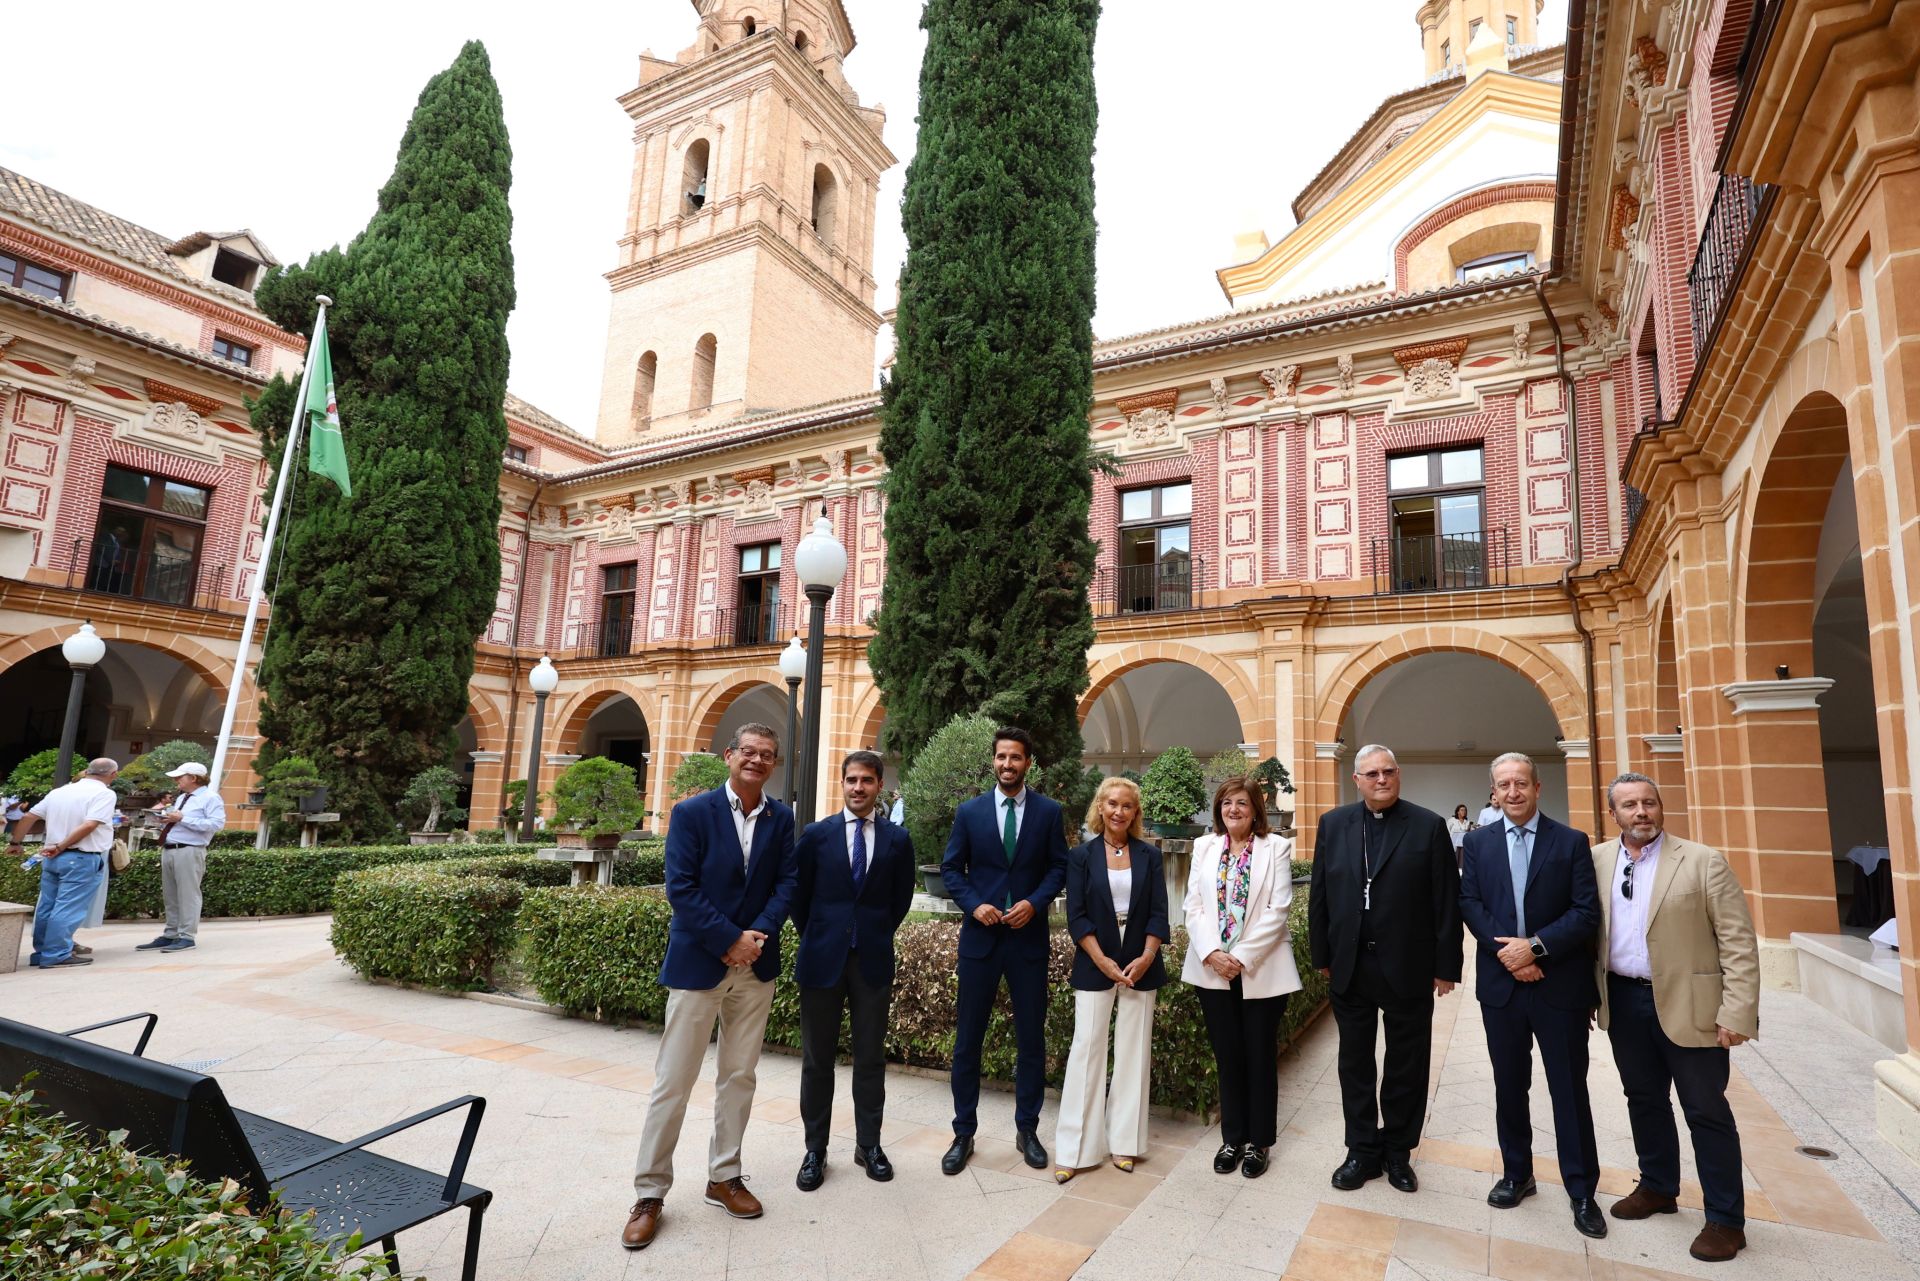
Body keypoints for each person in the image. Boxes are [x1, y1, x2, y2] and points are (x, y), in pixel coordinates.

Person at [622, 723, 797, 1251]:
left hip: (755, 967)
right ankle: (650, 1193)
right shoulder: (693, 813)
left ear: (774, 764)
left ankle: (724, 1176)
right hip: (701, 963)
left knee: (739, 1076)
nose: (758, 761)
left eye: (767, 755)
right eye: (749, 751)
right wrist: (728, 940)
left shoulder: (782, 818)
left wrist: (754, 939)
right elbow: (682, 887)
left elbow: (787, 883)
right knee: (673, 1081)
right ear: (729, 756)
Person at [1593, 773, 1759, 1263]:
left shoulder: (1702, 860)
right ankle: (1658, 1186)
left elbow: (1737, 941)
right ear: (1614, 814)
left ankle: (1726, 1220)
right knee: (1643, 1100)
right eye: (1629, 805)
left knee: (1706, 1111)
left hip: (1693, 1005)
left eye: (1648, 802)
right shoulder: (1598, 860)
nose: (1640, 812)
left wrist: (1737, 1011)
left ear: (1660, 807)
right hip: (1624, 1000)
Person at [1460, 752, 1605, 1239]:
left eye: (1522, 783)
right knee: (1509, 1085)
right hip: (1502, 987)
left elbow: (1586, 912)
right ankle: (1517, 1174)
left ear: (1538, 788)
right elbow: (1470, 903)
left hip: (1558, 984)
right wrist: (1510, 955)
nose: (1514, 792)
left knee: (1568, 1088)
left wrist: (1535, 949)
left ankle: (1582, 1189)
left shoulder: (1570, 842)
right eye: (1504, 785)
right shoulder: (1478, 844)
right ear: (1494, 793)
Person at [1309, 745, 1461, 1195]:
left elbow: (1445, 902)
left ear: (1399, 775)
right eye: (1371, 773)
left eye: (1388, 772)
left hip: (1408, 966)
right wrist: (1322, 957)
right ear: (1356, 780)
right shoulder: (1334, 824)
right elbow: (1320, 893)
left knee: (1406, 1065)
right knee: (1354, 1063)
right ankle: (1360, 1150)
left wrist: (1445, 966)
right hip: (1351, 965)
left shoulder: (1428, 826)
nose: (1381, 779)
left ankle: (1398, 1151)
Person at [940, 726, 1068, 1175]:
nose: (1007, 764)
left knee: (1031, 1039)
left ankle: (1027, 1129)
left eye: (1016, 757)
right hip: (981, 942)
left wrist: (1035, 903)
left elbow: (1059, 868)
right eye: (1001, 757)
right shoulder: (970, 812)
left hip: (1028, 940)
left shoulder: (1049, 812)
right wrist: (975, 906)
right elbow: (951, 869)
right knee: (967, 1041)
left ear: (1028, 763)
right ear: (992, 761)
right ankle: (963, 1132)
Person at [791, 750, 916, 1192]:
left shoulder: (897, 840)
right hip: (822, 961)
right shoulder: (815, 835)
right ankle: (815, 1151)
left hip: (872, 961)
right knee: (817, 1061)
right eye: (851, 780)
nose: (858, 788)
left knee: (870, 1059)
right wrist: (825, 934)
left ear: (879, 785)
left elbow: (899, 901)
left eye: (866, 780)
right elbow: (798, 898)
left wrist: (870, 932)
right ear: (841, 784)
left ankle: (869, 1145)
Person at [1183, 776, 1302, 1179]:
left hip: (1261, 971)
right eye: (1227, 802)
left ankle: (1259, 1142)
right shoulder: (1204, 846)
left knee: (1259, 1058)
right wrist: (1213, 953)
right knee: (1228, 1056)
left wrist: (1240, 957)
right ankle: (1232, 1138)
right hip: (1211, 969)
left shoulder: (1277, 848)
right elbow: (1193, 905)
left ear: (1256, 811)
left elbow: (1278, 909)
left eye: (1242, 803)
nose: (1233, 809)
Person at [1054, 775, 1169, 1182]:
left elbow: (1158, 910)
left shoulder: (1149, 856)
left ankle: (1125, 1144)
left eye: (1127, 805)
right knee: (1086, 1050)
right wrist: (1101, 959)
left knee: (1133, 1051)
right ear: (1099, 808)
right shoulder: (1080, 856)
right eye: (1112, 804)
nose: (1119, 811)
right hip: (1094, 959)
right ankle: (1075, 1149)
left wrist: (1147, 955)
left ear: (1135, 813)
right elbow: (1077, 915)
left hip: (1142, 960)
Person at [5, 757, 118, 968]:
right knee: (68, 908)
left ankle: (41, 953)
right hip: (80, 856)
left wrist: (15, 842)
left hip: (52, 856)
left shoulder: (60, 791)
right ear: (113, 775)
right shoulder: (104, 793)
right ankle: (56, 954)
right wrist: (62, 845)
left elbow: (29, 816)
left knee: (47, 905)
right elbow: (90, 824)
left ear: (87, 771)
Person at [133, 761, 225, 953]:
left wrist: (182, 819)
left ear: (194, 778)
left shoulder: (210, 797)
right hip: (171, 848)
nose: (176, 780)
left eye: (180, 777)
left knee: (188, 894)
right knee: (171, 895)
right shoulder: (184, 797)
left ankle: (186, 936)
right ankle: (171, 933)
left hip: (190, 849)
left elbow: (216, 825)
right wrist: (168, 819)